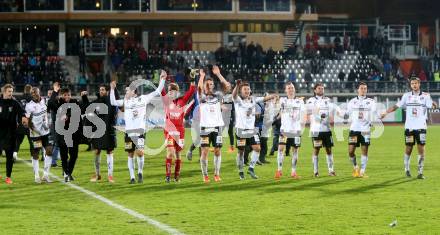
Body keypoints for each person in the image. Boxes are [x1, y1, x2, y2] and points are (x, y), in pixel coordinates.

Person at [110, 71, 166, 184]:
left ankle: (140, 172)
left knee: (140, 152)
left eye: (127, 90)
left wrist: (162, 79)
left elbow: (157, 91)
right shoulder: (125, 102)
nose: (125, 92)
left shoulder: (143, 99)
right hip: (129, 132)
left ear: (134, 92)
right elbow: (113, 102)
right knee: (130, 154)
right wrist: (112, 89)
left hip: (140, 131)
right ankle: (132, 177)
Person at [381, 77, 438, 179]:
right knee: (408, 148)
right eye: (412, 83)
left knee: (421, 149)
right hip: (410, 127)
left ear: (419, 84)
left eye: (416, 83)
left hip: (421, 127)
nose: (414, 85)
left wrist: (434, 105)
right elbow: (396, 106)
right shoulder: (406, 96)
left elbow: (432, 106)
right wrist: (386, 112)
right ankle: (407, 169)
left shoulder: (425, 96)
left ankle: (420, 172)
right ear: (410, 85)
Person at [233, 80, 277, 180]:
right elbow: (234, 94)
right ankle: (240, 171)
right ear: (241, 91)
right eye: (245, 89)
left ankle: (251, 169)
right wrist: (236, 85)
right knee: (241, 152)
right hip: (241, 130)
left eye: (248, 89)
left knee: (257, 148)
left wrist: (273, 95)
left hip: (252, 130)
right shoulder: (238, 100)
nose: (247, 91)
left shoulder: (253, 99)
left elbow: (264, 98)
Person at [197, 65, 231, 183]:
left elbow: (227, 86)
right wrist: (202, 76)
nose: (209, 85)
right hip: (205, 127)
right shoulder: (201, 97)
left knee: (217, 150)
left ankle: (216, 174)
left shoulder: (217, 96)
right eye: (207, 84)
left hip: (217, 127)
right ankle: (205, 175)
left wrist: (218, 74)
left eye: (211, 84)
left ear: (213, 86)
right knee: (205, 151)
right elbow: (199, 87)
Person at [48, 83, 88, 182]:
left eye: (68, 94)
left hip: (74, 135)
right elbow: (49, 103)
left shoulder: (75, 102)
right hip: (62, 134)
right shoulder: (58, 103)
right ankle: (66, 173)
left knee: (74, 155)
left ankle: (68, 172)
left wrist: (84, 97)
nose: (67, 97)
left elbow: (86, 109)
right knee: (64, 156)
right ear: (61, 95)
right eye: (65, 95)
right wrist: (55, 91)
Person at [161, 78, 196, 183]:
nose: (169, 92)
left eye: (172, 90)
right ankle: (168, 176)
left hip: (180, 131)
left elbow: (191, 91)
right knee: (170, 151)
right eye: (169, 90)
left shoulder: (182, 101)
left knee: (178, 154)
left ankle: (176, 176)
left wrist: (193, 78)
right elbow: (161, 90)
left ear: (176, 92)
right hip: (169, 130)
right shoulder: (166, 101)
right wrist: (162, 78)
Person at [306, 83, 344, 177]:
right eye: (319, 88)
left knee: (329, 150)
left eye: (322, 88)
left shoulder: (327, 100)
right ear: (315, 90)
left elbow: (331, 112)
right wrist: (318, 116)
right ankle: (315, 171)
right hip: (316, 130)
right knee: (316, 149)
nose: (321, 90)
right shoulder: (311, 100)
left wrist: (332, 117)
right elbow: (309, 113)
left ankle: (331, 170)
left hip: (326, 129)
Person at [84, 84, 120, 183]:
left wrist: (114, 88)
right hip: (98, 131)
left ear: (107, 91)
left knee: (109, 152)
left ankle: (110, 176)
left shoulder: (111, 101)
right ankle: (97, 174)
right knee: (96, 152)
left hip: (109, 130)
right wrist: (84, 97)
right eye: (100, 90)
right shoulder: (97, 102)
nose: (101, 91)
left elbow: (117, 98)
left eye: (103, 90)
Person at [346, 82, 379, 178]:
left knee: (364, 151)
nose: (363, 90)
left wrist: (374, 119)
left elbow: (374, 112)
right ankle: (356, 167)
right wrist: (343, 116)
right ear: (358, 90)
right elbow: (347, 114)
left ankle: (362, 171)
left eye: (365, 88)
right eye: (361, 88)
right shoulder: (352, 102)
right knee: (351, 151)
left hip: (365, 130)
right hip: (354, 129)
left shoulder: (371, 101)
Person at [275, 82, 305, 179]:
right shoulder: (282, 100)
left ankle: (293, 172)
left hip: (296, 130)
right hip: (284, 130)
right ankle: (279, 170)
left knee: (295, 151)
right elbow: (277, 109)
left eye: (292, 88)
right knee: (280, 149)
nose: (291, 90)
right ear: (285, 90)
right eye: (289, 88)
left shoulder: (300, 102)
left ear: (294, 89)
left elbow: (304, 114)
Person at [24, 87, 54, 183]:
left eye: (35, 92)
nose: (34, 94)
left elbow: (49, 111)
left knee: (49, 151)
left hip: (45, 132)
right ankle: (37, 176)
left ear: (39, 92)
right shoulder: (29, 106)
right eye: (32, 93)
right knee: (36, 154)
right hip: (36, 133)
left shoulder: (45, 101)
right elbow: (28, 122)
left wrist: (47, 123)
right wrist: (35, 130)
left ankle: (45, 175)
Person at [0, 84, 26, 184]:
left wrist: (23, 119)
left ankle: (8, 177)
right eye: (9, 91)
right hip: (0, 133)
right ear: (4, 92)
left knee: (9, 157)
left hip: (11, 134)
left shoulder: (15, 103)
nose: (11, 93)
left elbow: (22, 113)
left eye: (11, 91)